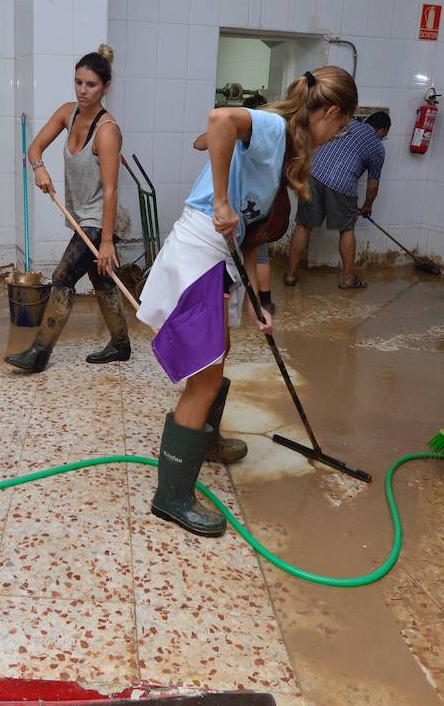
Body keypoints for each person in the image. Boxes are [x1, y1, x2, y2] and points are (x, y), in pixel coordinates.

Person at [139, 67, 356, 536]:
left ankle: (207, 439)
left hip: (224, 258)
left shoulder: (287, 152)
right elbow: (218, 121)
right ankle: (171, 496)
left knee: (220, 360)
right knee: (204, 379)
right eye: (338, 128)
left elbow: (254, 236)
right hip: (200, 251)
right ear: (331, 112)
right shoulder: (274, 128)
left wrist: (261, 303)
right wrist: (220, 200)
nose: (335, 137)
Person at [5, 45, 131, 373]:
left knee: (62, 277)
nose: (82, 90)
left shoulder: (107, 131)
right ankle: (121, 344)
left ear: (106, 87)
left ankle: (38, 353)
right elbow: (34, 147)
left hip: (101, 217)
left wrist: (106, 242)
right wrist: (39, 168)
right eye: (78, 82)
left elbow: (112, 192)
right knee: (102, 280)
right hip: (81, 214)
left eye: (90, 84)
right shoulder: (67, 112)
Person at [192, 92, 279, 316]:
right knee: (258, 253)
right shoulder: (245, 134)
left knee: (256, 251)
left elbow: (200, 142)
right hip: (227, 212)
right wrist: (230, 133)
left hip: (249, 209)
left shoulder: (268, 143)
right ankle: (262, 301)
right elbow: (201, 141)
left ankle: (260, 302)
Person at [284, 110, 389, 289]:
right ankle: (349, 279)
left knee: (303, 225)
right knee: (346, 229)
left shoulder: (346, 122)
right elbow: (373, 186)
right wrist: (367, 206)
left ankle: (290, 275)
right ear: (382, 131)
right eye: (383, 136)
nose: (382, 139)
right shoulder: (377, 147)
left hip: (314, 174)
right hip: (342, 185)